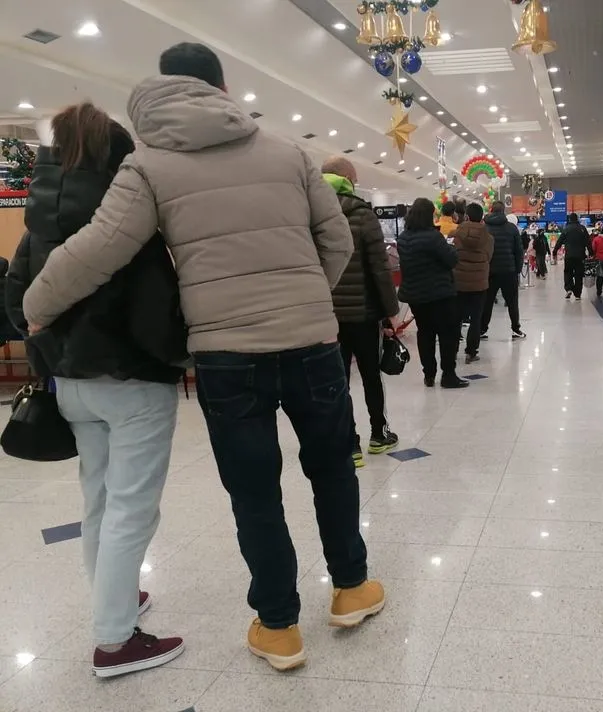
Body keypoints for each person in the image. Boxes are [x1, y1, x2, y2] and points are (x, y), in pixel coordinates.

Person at [21, 43, 382, 674]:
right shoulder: (288, 153)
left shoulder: (150, 167)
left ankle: (278, 627)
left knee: (253, 491)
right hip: (312, 345)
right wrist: (301, 298)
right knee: (331, 466)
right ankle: (351, 588)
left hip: (225, 357)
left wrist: (37, 304)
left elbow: (100, 248)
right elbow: (336, 239)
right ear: (221, 88)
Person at [6, 103, 188, 678]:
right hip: (132, 384)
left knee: (100, 502)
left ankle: (117, 598)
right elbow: (157, 309)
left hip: (69, 385)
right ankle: (114, 641)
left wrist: (49, 351)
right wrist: (175, 358)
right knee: (132, 509)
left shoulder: (35, 225)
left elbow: (15, 304)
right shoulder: (124, 221)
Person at [322, 156, 401, 468]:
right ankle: (379, 434)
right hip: (364, 314)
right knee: (370, 375)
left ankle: (349, 442)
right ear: (348, 179)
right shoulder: (362, 213)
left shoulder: (312, 212)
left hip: (328, 317)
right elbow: (379, 269)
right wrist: (390, 312)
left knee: (337, 380)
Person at [396, 198, 468, 388]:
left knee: (425, 333)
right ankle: (448, 375)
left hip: (415, 295)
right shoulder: (433, 237)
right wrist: (451, 248)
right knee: (447, 334)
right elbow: (451, 260)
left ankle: (429, 374)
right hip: (439, 294)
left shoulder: (403, 238)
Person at [453, 203, 494, 364]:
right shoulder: (489, 238)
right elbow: (488, 258)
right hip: (479, 283)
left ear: (467, 217)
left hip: (459, 283)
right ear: (482, 217)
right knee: (476, 319)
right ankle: (471, 352)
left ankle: (453, 349)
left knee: (456, 318)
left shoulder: (456, 234)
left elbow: (452, 255)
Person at [481, 202, 526, 339]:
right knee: (512, 302)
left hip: (489, 271)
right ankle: (515, 329)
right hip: (509, 270)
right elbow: (518, 251)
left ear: (491, 210)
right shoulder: (512, 228)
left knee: (487, 302)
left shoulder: (484, 228)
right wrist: (517, 269)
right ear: (503, 211)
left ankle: (482, 329)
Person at [555, 213, 593, 300]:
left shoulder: (566, 229)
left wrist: (554, 251)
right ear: (577, 219)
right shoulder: (582, 229)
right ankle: (578, 294)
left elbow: (560, 241)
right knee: (578, 274)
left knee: (568, 272)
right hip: (580, 256)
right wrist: (591, 252)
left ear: (570, 220)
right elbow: (588, 241)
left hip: (569, 256)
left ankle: (569, 288)